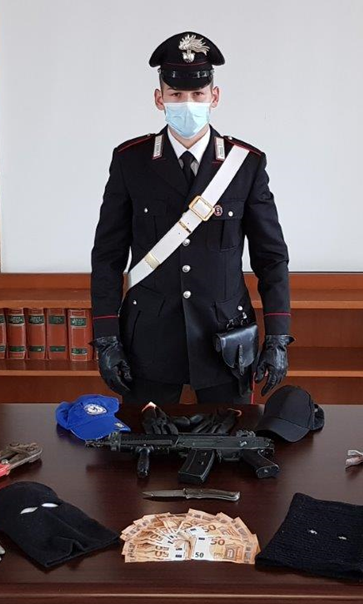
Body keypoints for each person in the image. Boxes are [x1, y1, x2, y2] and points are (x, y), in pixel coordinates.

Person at [89, 31, 294, 406]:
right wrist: (106, 337)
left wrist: (278, 336)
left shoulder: (245, 164)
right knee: (146, 440)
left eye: (198, 95)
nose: (187, 104)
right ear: (159, 99)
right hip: (148, 339)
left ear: (214, 96)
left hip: (225, 338)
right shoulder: (130, 161)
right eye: (176, 95)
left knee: (231, 439)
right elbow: (107, 255)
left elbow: (271, 257)